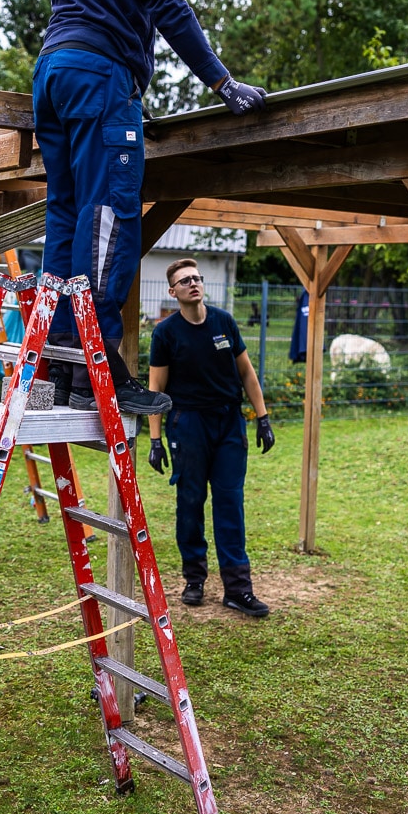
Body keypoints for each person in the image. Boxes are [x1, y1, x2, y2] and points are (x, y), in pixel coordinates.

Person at [32, 0, 268, 416]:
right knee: (109, 219)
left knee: (67, 220)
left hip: (52, 74)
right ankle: (99, 368)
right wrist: (221, 81)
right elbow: (168, 3)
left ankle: (56, 371)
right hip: (100, 76)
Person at [147, 258, 276, 618]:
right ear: (173, 292)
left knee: (230, 503)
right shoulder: (166, 333)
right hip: (188, 424)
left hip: (228, 423)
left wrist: (263, 418)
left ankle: (238, 589)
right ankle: (194, 579)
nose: (193, 283)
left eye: (197, 278)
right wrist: (155, 440)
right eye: (184, 280)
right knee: (190, 502)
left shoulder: (224, 322)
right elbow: (156, 388)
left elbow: (247, 373)